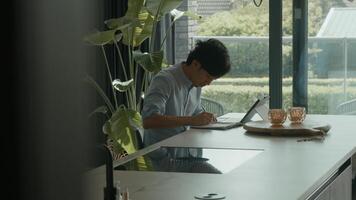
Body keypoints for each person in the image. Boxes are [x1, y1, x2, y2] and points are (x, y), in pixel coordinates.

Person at [141, 38, 231, 149]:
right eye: (208, 77)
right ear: (195, 64)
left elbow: (196, 114)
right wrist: (192, 120)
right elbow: (148, 121)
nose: (208, 83)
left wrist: (206, 118)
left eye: (212, 79)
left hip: (185, 149)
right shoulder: (165, 80)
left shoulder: (196, 82)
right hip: (160, 154)